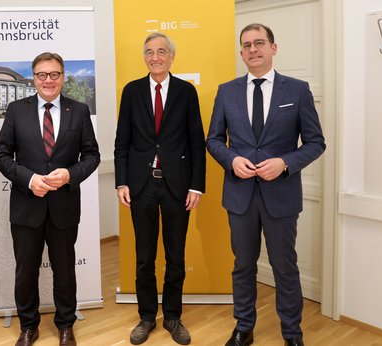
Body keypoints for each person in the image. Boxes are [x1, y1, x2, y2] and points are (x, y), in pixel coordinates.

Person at [206, 23, 326, 346]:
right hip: (239, 195)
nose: (253, 49)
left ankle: (292, 333)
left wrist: (285, 163)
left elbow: (316, 142)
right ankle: (243, 327)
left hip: (281, 196)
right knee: (243, 266)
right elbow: (214, 140)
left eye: (259, 43)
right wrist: (231, 160)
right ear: (241, 52)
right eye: (246, 45)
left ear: (274, 48)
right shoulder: (226, 91)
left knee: (284, 266)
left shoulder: (297, 91)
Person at [0, 52, 100, 346]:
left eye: (54, 74)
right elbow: (1, 155)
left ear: (63, 77)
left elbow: (92, 155)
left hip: (64, 207)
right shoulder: (17, 110)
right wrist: (28, 179)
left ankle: (65, 325)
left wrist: (70, 174)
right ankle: (28, 326)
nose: (48, 80)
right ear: (33, 78)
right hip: (26, 207)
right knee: (25, 272)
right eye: (42, 75)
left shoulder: (78, 111)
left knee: (65, 272)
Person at [114, 32, 206, 345]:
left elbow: (196, 142)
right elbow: (122, 141)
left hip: (177, 186)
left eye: (161, 52)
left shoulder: (186, 92)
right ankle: (145, 316)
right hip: (140, 185)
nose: (155, 57)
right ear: (145, 57)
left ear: (171, 56)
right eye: (150, 52)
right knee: (144, 257)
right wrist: (121, 181)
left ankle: (173, 316)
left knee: (176, 256)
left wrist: (197, 185)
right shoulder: (132, 91)